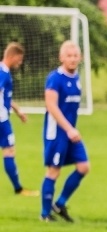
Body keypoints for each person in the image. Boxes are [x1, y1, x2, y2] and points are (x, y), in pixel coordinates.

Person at [40, 41, 90, 222]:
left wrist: (71, 130)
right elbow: (51, 105)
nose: (72, 59)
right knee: (54, 171)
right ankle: (45, 214)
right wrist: (68, 129)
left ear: (80, 58)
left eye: (75, 55)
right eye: (69, 56)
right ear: (61, 58)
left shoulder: (76, 79)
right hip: (57, 133)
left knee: (84, 167)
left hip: (71, 133)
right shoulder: (55, 78)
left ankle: (59, 204)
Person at [0, 42, 37, 196]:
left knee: (9, 150)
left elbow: (4, 96)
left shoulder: (4, 71)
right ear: (13, 56)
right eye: (19, 59)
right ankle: (18, 189)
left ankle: (18, 188)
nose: (20, 63)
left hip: (3, 117)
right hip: (1, 120)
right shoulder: (2, 73)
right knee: (9, 150)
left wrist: (17, 110)